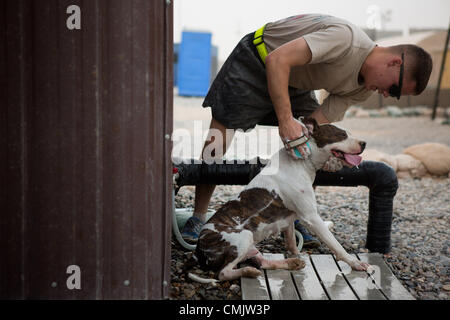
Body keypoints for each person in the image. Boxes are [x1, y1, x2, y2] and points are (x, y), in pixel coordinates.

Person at [180, 13, 433, 245]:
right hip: (256, 60)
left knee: (307, 147)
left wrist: (323, 151)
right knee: (218, 139)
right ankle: (199, 216)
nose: (388, 95)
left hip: (295, 80)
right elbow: (277, 59)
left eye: (395, 96)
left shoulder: (361, 90)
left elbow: (316, 127)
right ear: (395, 63)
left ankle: (298, 215)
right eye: (395, 89)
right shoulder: (345, 40)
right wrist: (286, 119)